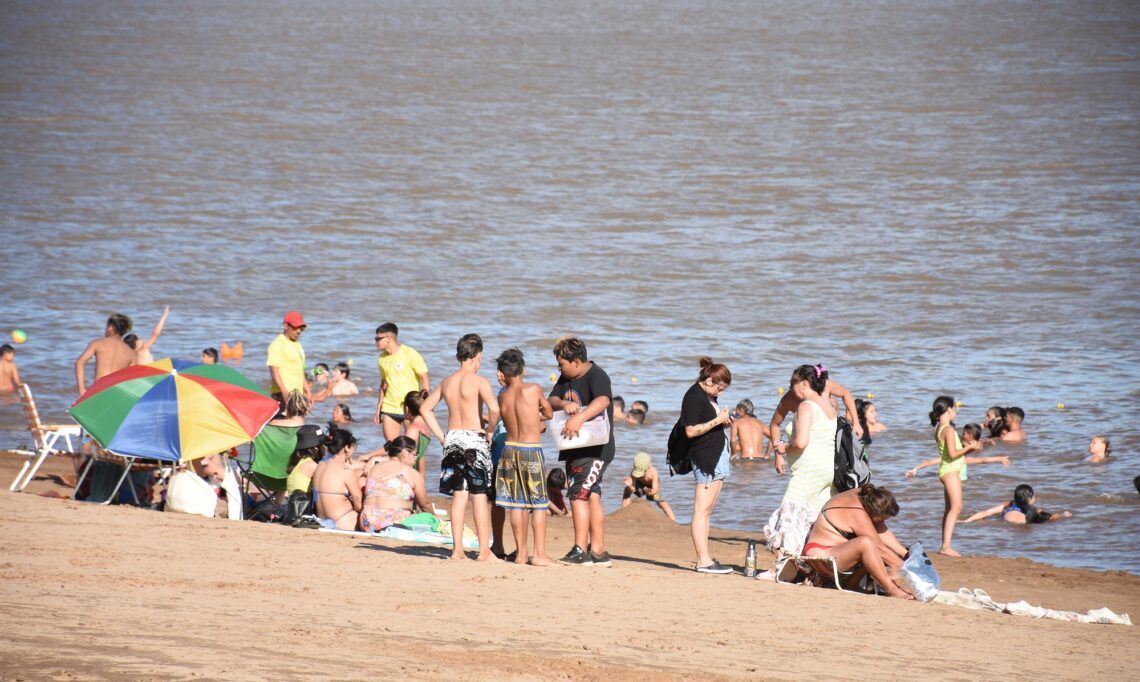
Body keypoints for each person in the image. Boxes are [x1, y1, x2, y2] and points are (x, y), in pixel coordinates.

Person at [419, 333, 498, 561]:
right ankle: (484, 551)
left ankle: (457, 550)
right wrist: (490, 430)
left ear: (458, 356)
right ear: (478, 356)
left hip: (453, 437)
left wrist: (442, 437)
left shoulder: (447, 382)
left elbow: (425, 409)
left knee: (459, 494)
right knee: (479, 494)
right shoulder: (480, 381)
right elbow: (494, 409)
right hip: (473, 439)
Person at [909, 396, 1008, 557]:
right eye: (955, 409)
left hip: (947, 469)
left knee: (950, 508)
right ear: (948, 409)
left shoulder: (940, 427)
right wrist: (970, 449)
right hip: (950, 471)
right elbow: (954, 453)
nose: (956, 412)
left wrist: (969, 449)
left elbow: (949, 453)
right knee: (956, 507)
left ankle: (945, 545)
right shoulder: (948, 429)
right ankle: (946, 546)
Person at [548, 336, 615, 567]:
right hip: (575, 448)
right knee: (592, 495)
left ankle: (580, 550)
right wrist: (564, 405)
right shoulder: (566, 378)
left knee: (577, 494)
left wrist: (579, 418)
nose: (559, 368)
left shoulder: (597, 375)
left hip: (595, 449)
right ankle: (598, 551)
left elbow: (603, 400)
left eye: (562, 364)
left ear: (576, 361)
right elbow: (552, 399)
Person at [493, 348, 555, 566]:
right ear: (523, 369)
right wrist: (536, 416)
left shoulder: (502, 395)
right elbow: (548, 413)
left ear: (503, 373)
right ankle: (538, 555)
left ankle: (521, 553)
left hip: (509, 449)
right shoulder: (534, 388)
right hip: (530, 449)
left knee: (516, 503)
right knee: (538, 503)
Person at [800, 484, 914, 600]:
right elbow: (880, 548)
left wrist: (906, 554)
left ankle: (852, 585)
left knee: (875, 546)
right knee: (866, 543)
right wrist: (908, 569)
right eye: (881, 519)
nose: (882, 522)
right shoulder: (856, 512)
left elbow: (881, 531)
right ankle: (891, 589)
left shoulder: (866, 495)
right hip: (821, 556)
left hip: (839, 551)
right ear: (870, 510)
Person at [680, 357, 734, 573]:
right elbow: (690, 430)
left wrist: (723, 420)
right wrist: (717, 421)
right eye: (719, 387)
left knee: (707, 511)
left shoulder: (705, 395)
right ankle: (703, 560)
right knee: (701, 510)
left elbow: (707, 423)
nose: (720, 392)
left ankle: (706, 558)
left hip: (715, 455)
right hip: (705, 458)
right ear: (709, 379)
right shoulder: (693, 396)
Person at [773, 365, 839, 512]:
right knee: (816, 521)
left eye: (792, 385)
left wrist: (783, 447)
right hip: (829, 470)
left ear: (803, 384)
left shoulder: (806, 406)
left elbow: (800, 443)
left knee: (788, 516)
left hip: (808, 472)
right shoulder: (828, 404)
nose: (791, 389)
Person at [766, 365, 862, 458]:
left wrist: (856, 423)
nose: (791, 389)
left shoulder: (825, 386)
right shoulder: (789, 399)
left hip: (833, 438)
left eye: (793, 384)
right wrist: (778, 455)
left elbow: (846, 393)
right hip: (809, 447)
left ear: (805, 384)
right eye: (790, 386)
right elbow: (775, 424)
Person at [360, 436, 436, 532]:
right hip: (393, 524)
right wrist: (434, 518)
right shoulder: (410, 472)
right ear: (404, 453)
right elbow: (425, 504)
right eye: (414, 454)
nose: (416, 458)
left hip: (366, 522)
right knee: (428, 519)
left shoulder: (374, 469)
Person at [373, 322, 430, 441]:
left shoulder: (410, 353)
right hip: (389, 408)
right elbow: (384, 384)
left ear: (389, 338)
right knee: (392, 448)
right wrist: (379, 407)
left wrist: (424, 403)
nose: (375, 342)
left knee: (415, 451)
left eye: (378, 338)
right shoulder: (382, 358)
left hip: (409, 409)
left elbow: (424, 377)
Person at [311, 427, 362, 530]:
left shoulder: (320, 465)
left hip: (321, 520)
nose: (354, 450)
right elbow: (358, 504)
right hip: (343, 521)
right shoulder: (346, 471)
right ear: (346, 448)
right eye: (353, 447)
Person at [75, 313, 136, 395]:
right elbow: (133, 379)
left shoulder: (97, 343)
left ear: (110, 327)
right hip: (118, 391)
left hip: (99, 389)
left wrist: (82, 389)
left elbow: (80, 362)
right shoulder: (130, 352)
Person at [963, 484, 1072, 524]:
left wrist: (967, 520)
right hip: (1024, 521)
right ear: (1029, 498)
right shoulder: (1034, 510)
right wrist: (1064, 515)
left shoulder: (1008, 504)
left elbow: (985, 513)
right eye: (1033, 496)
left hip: (1008, 520)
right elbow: (1052, 517)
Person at [267, 311, 308, 408]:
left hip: (297, 395)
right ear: (286, 326)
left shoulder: (298, 345)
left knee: (298, 422)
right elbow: (274, 371)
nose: (298, 331)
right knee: (283, 422)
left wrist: (308, 391)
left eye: (301, 328)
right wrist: (284, 392)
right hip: (282, 394)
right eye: (295, 327)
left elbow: (300, 372)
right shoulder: (278, 344)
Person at [622, 452, 677, 522]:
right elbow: (633, 486)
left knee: (661, 503)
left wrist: (650, 492)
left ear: (648, 467)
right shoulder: (635, 471)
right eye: (637, 472)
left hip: (652, 488)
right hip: (640, 484)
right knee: (627, 491)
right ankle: (624, 512)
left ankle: (673, 521)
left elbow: (655, 489)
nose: (639, 475)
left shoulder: (653, 472)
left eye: (641, 473)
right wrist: (629, 485)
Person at [401, 389, 433, 477]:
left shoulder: (414, 428)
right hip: (418, 469)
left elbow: (405, 455)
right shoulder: (425, 426)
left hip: (409, 471)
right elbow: (420, 455)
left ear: (406, 408)